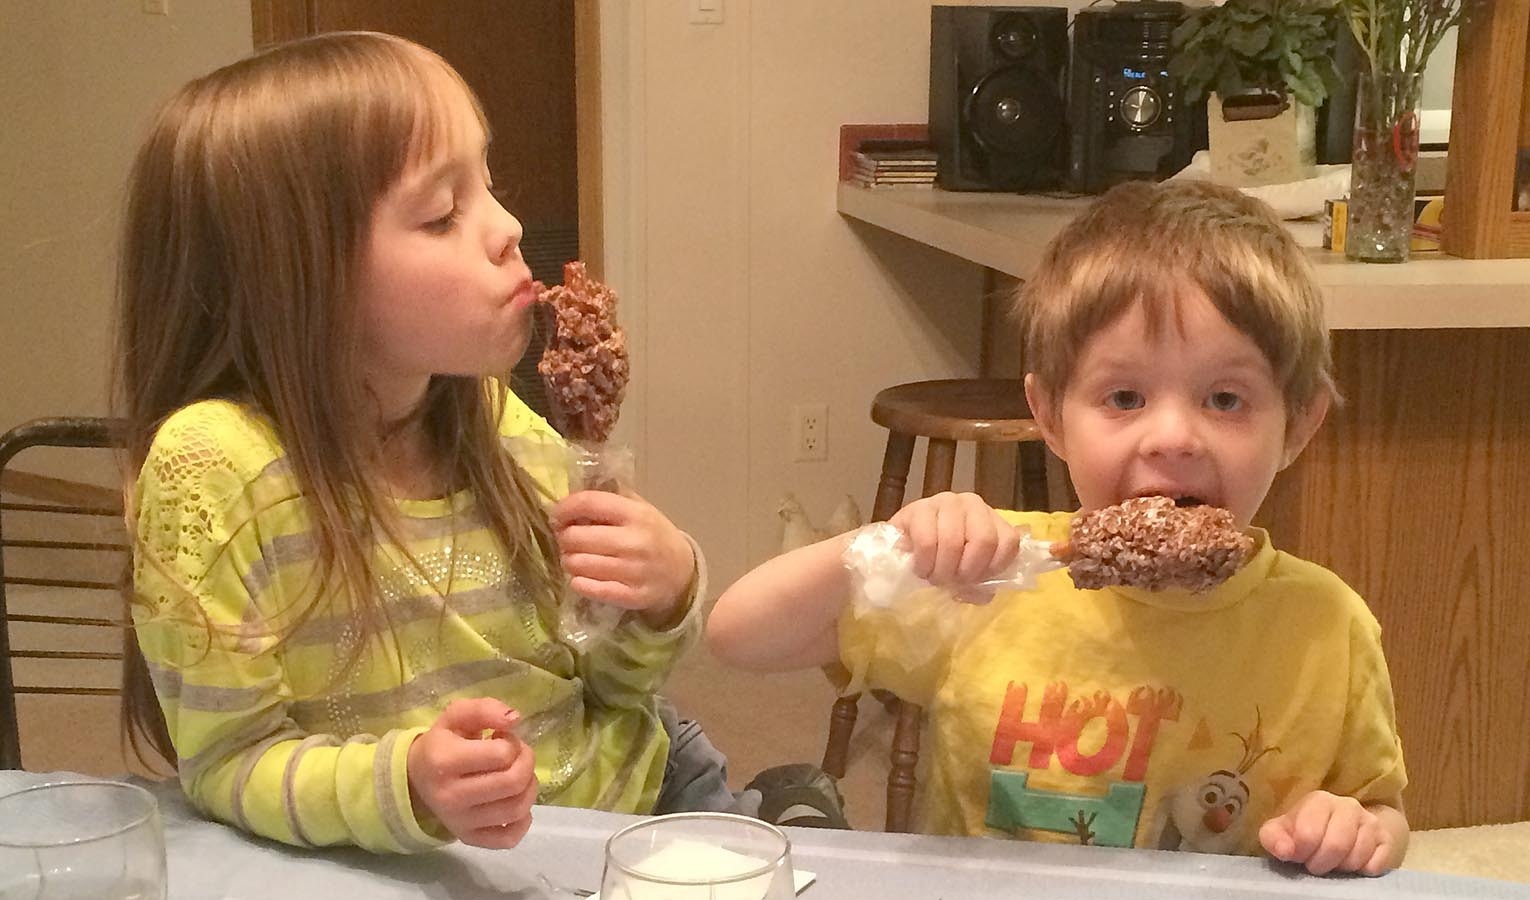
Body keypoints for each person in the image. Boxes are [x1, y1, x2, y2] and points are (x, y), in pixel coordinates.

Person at [116, 31, 841, 854]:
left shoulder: (502, 431)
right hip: (422, 858)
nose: (508, 228)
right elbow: (227, 762)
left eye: (490, 187)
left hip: (636, 802)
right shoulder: (215, 470)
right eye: (441, 213)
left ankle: (767, 808)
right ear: (294, 279)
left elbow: (608, 687)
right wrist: (408, 783)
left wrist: (658, 597)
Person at [708, 180, 1409, 876]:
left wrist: (1357, 830)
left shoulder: (1329, 628)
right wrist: (888, 547)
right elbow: (738, 635)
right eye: (1124, 397)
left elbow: (1382, 812)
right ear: (1049, 416)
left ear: (1299, 424)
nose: (1173, 436)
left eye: (1226, 399)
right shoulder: (985, 581)